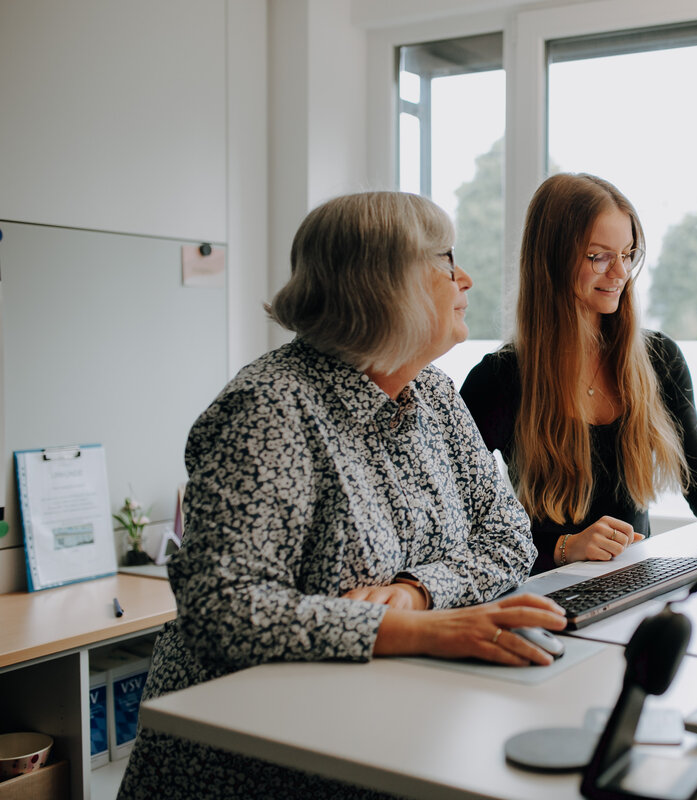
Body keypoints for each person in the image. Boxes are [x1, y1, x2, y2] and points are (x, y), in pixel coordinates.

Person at [118, 191, 565, 800]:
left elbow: (508, 535)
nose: (465, 277)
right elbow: (225, 610)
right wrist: (423, 630)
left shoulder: (433, 392)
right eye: (445, 259)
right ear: (385, 284)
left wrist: (417, 593)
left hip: (376, 730)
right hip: (246, 763)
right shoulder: (269, 407)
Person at [460, 173, 697, 574]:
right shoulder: (499, 379)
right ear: (551, 260)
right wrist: (564, 546)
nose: (620, 273)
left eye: (627, 254)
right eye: (599, 256)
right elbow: (463, 524)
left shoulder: (659, 359)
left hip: (634, 587)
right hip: (543, 595)